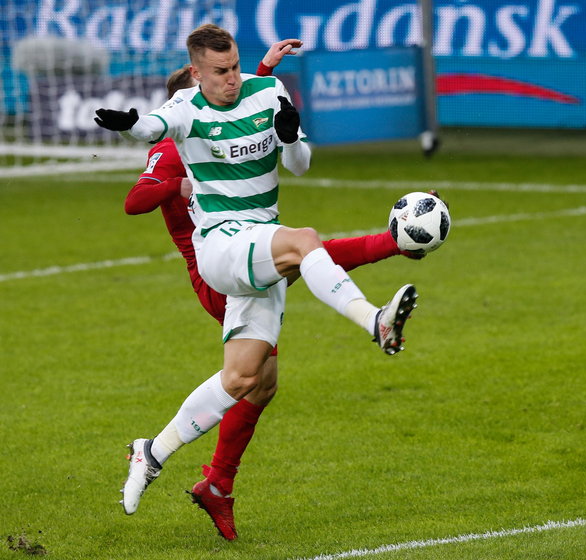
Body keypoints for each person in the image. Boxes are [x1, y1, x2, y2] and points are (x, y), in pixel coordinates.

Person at [96, 24, 421, 538]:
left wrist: (289, 133)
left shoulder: (264, 91)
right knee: (305, 243)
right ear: (196, 78)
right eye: (220, 73)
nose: (233, 79)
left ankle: (154, 454)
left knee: (247, 380)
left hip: (257, 242)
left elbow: (299, 163)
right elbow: (150, 133)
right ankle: (375, 317)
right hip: (218, 252)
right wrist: (130, 126)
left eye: (237, 68)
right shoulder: (183, 115)